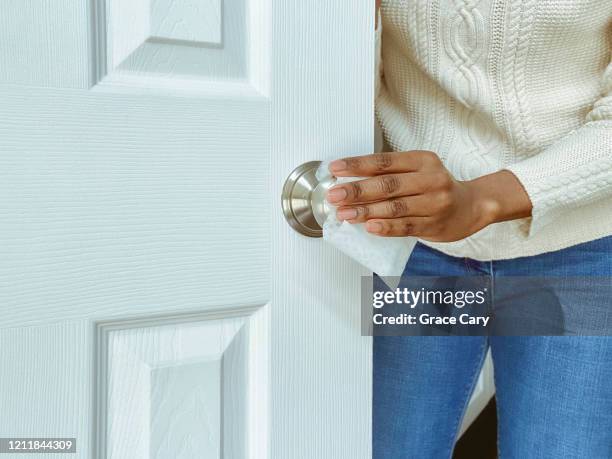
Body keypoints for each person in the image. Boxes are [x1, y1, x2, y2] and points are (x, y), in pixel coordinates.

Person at [327, 1, 612, 457]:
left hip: (579, 246)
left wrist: (482, 199)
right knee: (388, 447)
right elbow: (320, 74)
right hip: (416, 246)